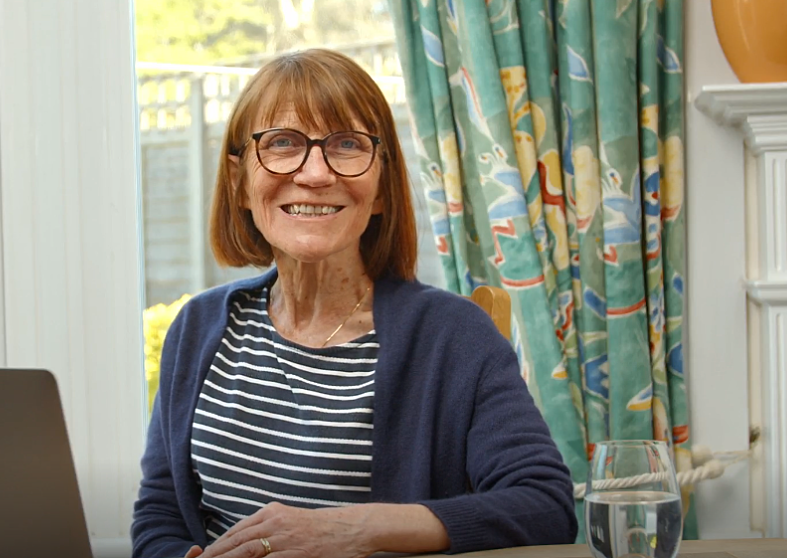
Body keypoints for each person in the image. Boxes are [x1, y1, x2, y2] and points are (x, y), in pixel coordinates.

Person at [131, 48, 577, 558]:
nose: (316, 173)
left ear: (382, 186)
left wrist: (356, 530)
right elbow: (160, 514)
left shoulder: (455, 335)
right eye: (281, 143)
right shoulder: (198, 326)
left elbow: (545, 507)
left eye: (346, 144)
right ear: (240, 185)